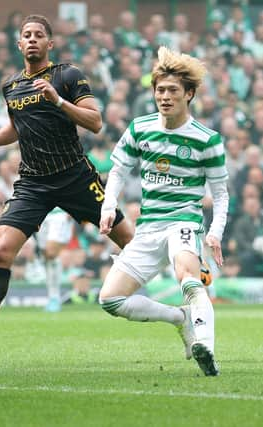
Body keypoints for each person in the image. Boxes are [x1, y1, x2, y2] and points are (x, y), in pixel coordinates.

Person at [0, 14, 134, 362]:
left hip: (75, 176)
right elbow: (17, 129)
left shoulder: (68, 75)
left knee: (130, 241)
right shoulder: (12, 86)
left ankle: (183, 292)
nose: (32, 39)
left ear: (50, 43)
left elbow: (95, 122)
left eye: (38, 35)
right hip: (33, 182)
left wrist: (58, 101)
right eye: (26, 35)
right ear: (19, 44)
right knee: (0, 252)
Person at [97, 47, 229, 376]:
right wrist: (109, 204)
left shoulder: (206, 139)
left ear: (190, 94)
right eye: (160, 90)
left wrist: (214, 232)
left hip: (183, 222)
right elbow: (117, 171)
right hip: (148, 227)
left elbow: (221, 194)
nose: (164, 97)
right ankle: (180, 318)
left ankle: (206, 346)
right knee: (110, 300)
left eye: (172, 90)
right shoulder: (140, 128)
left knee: (188, 277)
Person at [35, 208, 73, 312]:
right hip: (42, 212)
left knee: (52, 253)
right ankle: (52, 296)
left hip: (60, 213)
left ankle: (55, 298)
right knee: (46, 256)